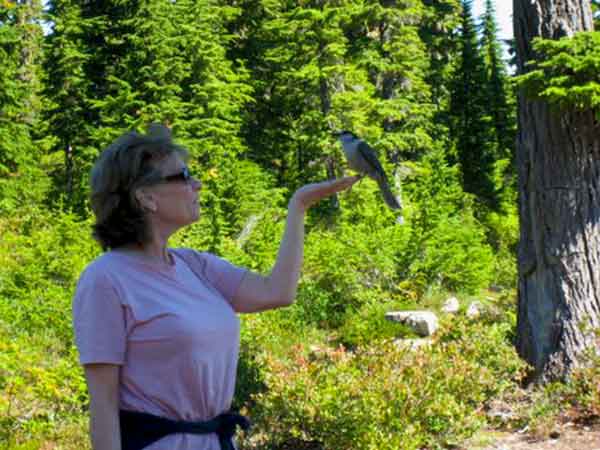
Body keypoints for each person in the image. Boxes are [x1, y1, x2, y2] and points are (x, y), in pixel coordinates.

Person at [72, 124, 358, 450]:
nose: (197, 183)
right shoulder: (105, 280)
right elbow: (103, 406)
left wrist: (299, 206)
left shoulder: (194, 265)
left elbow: (278, 292)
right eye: (183, 176)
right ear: (145, 197)